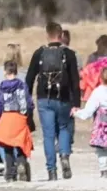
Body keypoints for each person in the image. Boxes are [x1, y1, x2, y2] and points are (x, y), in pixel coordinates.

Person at [25, 22, 81, 180]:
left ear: (46, 35)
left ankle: (52, 171)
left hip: (44, 99)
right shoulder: (69, 54)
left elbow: (29, 79)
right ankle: (64, 155)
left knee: (48, 135)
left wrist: (28, 100)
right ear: (61, 35)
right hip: (64, 99)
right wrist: (76, 104)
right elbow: (75, 81)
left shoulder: (39, 53)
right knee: (64, 128)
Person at [0, 59, 35, 182]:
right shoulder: (22, 85)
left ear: (5, 72)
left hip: (6, 117)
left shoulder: (2, 87)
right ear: (16, 71)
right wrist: (29, 116)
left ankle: (10, 173)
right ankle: (21, 164)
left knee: (7, 146)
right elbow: (29, 103)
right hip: (19, 117)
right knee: (20, 143)